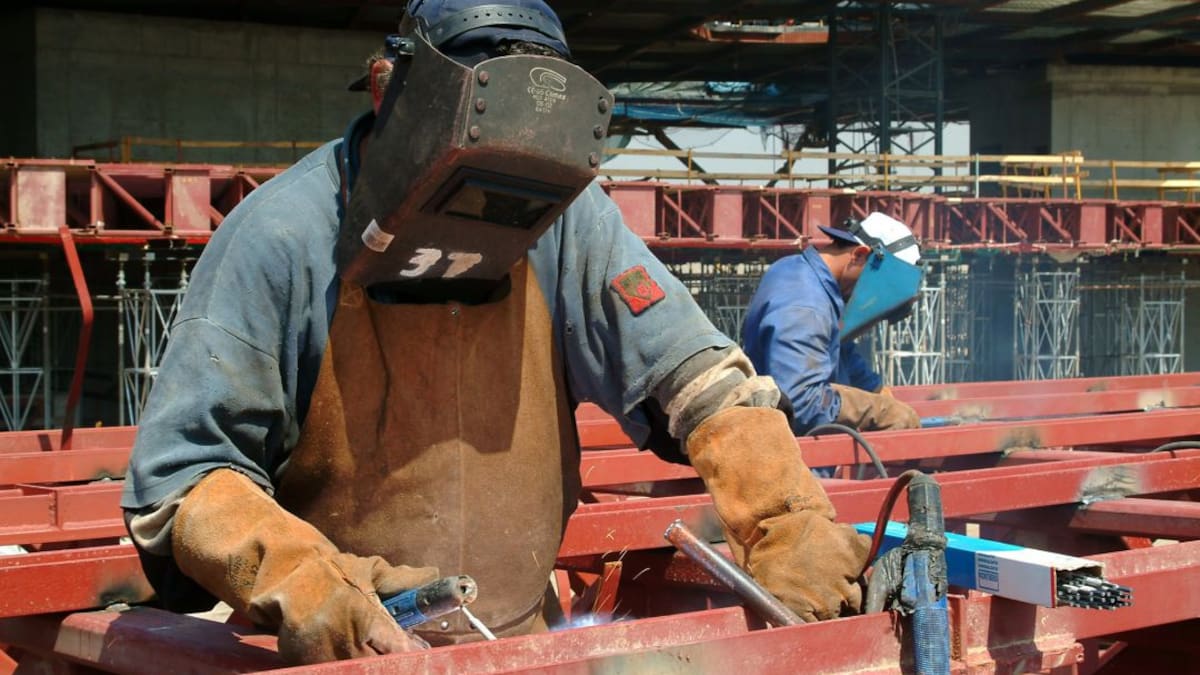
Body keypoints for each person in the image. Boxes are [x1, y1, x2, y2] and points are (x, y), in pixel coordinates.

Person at [119, 0, 869, 665]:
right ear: (389, 93)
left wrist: (787, 516)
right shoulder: (281, 236)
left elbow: (701, 378)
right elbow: (182, 481)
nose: (491, 213)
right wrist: (309, 579)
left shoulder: (559, 213)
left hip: (516, 646)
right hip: (343, 658)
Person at [741, 213, 924, 435]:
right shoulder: (805, 304)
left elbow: (840, 350)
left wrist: (875, 389)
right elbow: (800, 402)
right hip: (795, 456)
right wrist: (881, 410)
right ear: (858, 255)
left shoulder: (802, 273)